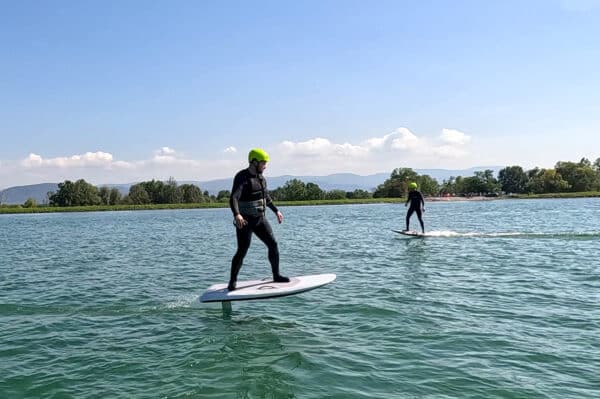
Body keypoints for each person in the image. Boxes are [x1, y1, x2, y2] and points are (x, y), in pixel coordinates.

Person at [228, 148, 289, 291]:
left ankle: (276, 275)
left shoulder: (261, 178)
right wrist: (237, 214)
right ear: (254, 162)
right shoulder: (242, 177)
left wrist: (276, 211)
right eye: (263, 163)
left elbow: (266, 198)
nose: (265, 166)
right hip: (245, 222)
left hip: (260, 219)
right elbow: (234, 198)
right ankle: (232, 281)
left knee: (273, 244)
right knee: (242, 250)